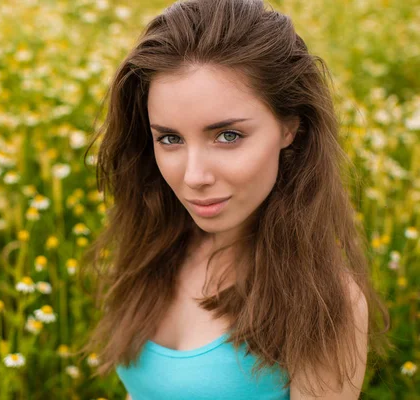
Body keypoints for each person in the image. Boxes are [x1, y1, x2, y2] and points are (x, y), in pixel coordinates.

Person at [76, 0, 392, 399]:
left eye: (228, 136)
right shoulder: (155, 246)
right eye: (170, 138)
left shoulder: (326, 302)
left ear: (289, 128)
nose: (194, 177)